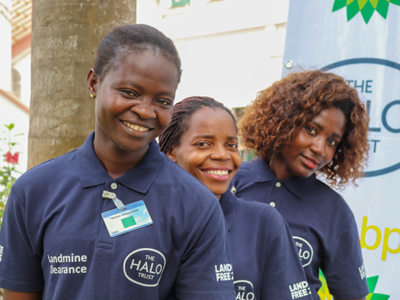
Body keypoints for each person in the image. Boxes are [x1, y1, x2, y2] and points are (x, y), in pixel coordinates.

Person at [0, 24, 235, 300]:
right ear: (94, 83)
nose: (145, 111)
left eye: (162, 100)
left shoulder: (196, 204)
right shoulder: (34, 191)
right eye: (130, 92)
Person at [231, 70, 370, 300]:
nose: (319, 148)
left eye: (332, 141)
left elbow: (351, 295)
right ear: (284, 120)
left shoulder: (334, 211)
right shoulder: (230, 181)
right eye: (311, 130)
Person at [159, 96, 313, 300]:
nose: (223, 155)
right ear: (171, 152)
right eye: (204, 144)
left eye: (231, 145)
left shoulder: (263, 222)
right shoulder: (147, 218)